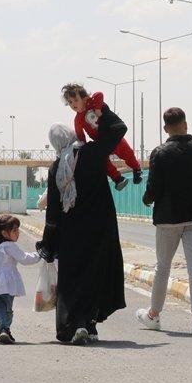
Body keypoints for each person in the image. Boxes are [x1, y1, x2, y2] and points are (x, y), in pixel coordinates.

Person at [39, 95, 129, 344]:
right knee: (94, 274)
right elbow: (120, 129)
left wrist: (48, 241)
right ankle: (88, 324)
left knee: (73, 278)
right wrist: (99, 111)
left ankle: (76, 323)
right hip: (99, 228)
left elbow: (54, 210)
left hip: (71, 233)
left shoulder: (57, 167)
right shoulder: (93, 152)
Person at [136, 107, 192, 335]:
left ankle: (153, 315)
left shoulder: (160, 153)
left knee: (162, 266)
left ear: (166, 129)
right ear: (186, 124)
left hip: (167, 218)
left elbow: (154, 187)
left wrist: (146, 199)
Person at [62, 82, 144, 190]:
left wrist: (97, 109)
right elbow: (80, 136)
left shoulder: (91, 103)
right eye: (70, 102)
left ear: (85, 98)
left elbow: (99, 94)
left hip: (111, 135)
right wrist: (86, 150)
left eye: (76, 100)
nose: (73, 104)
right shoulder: (78, 119)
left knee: (127, 152)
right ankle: (118, 178)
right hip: (100, 142)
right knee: (102, 160)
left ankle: (136, 169)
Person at [0, 214, 41, 343]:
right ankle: (5, 328)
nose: (18, 233)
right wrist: (39, 254)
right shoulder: (9, 246)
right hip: (7, 282)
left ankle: (2, 329)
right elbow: (24, 258)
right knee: (7, 307)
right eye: (14, 230)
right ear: (4, 233)